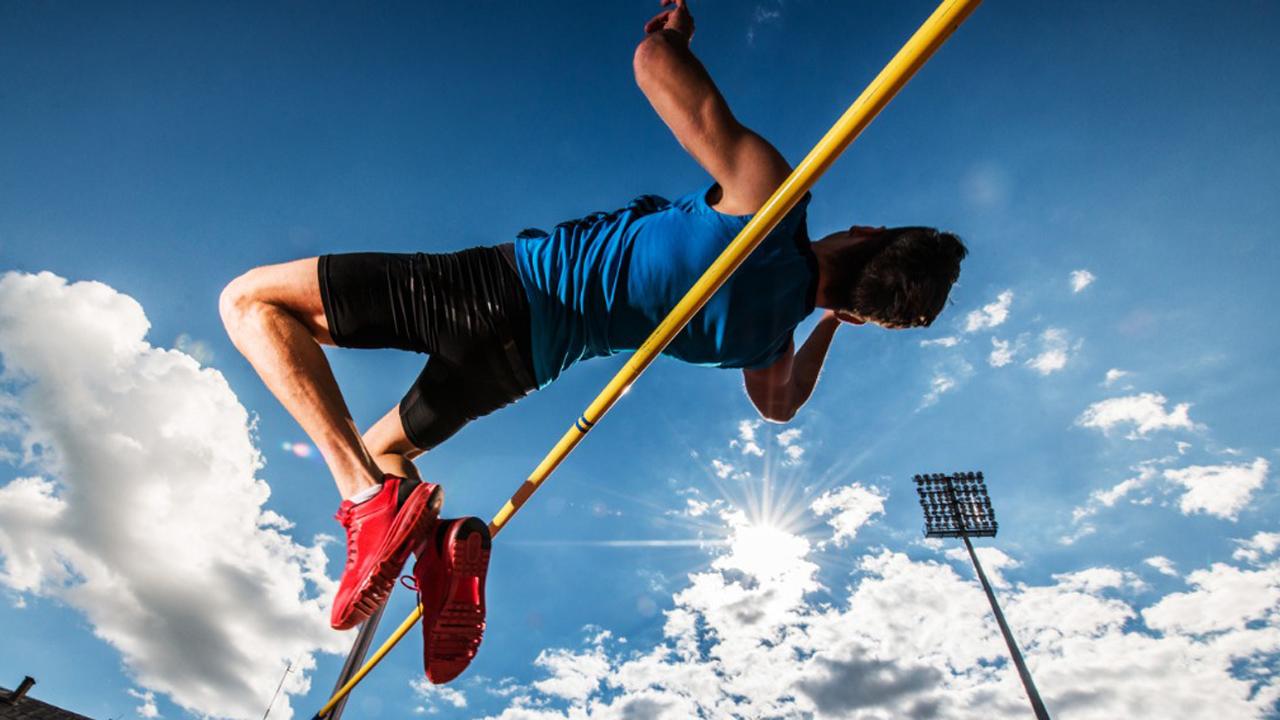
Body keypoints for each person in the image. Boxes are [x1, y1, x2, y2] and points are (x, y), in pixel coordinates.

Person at [218, 0, 967, 684]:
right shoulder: (768, 339)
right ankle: (443, 557)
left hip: (504, 290)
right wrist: (831, 322)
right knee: (385, 450)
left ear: (868, 232)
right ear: (866, 312)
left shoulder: (770, 206)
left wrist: (671, 36)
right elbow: (782, 407)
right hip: (525, 365)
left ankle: (365, 504)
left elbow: (654, 71)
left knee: (251, 300)